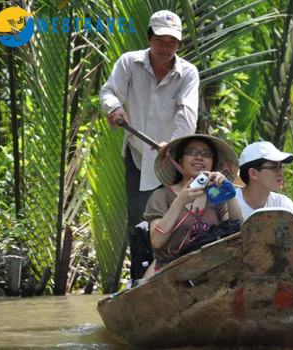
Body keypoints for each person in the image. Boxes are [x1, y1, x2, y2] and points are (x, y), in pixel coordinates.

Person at [99, 10, 200, 279]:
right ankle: (140, 281)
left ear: (179, 44)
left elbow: (187, 113)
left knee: (180, 219)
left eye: (172, 43)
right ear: (149, 37)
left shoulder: (188, 73)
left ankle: (181, 277)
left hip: (172, 161)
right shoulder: (129, 63)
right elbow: (110, 91)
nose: (165, 48)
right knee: (142, 225)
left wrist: (173, 145)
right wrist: (115, 108)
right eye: (160, 40)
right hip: (138, 156)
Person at [143, 135, 242, 273]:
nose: (199, 157)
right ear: (180, 161)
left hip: (210, 271)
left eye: (206, 154)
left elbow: (237, 230)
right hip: (168, 274)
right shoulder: (162, 196)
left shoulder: (215, 196)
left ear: (212, 164)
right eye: (191, 152)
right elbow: (157, 241)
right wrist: (180, 202)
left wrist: (227, 192)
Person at [235, 141, 293, 239]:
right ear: (253, 173)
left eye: (281, 167)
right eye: (274, 167)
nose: (281, 173)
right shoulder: (230, 203)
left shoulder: (282, 204)